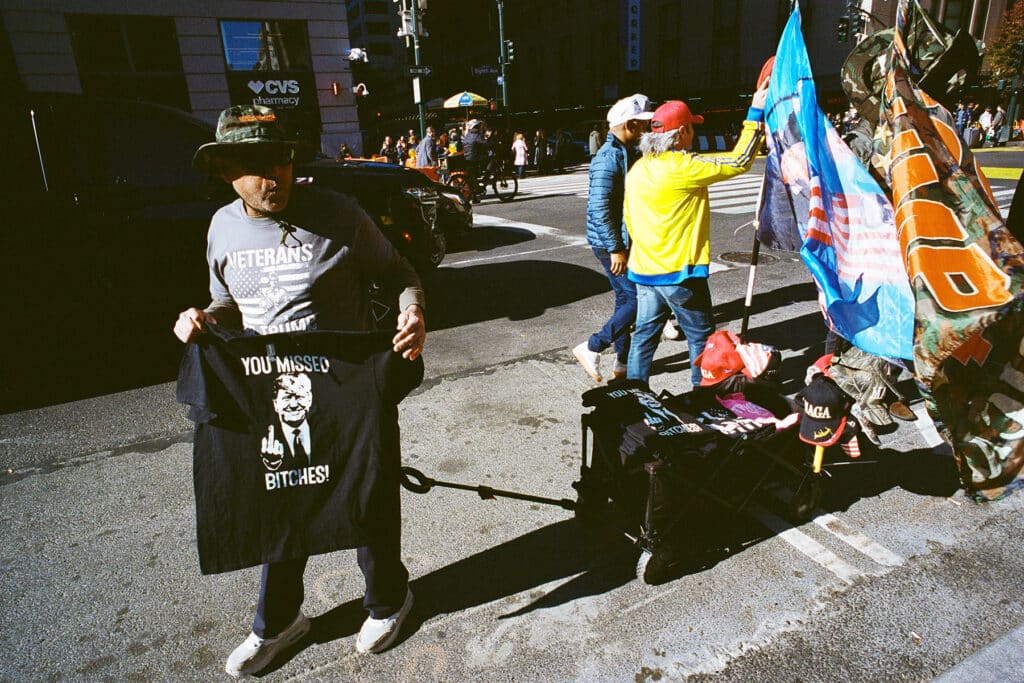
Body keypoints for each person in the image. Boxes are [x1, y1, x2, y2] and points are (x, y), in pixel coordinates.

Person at [177, 104, 426, 676]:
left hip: (349, 388)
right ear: (224, 172)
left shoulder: (339, 213)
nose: (276, 177)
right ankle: (278, 622)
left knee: (366, 493)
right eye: (257, 167)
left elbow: (401, 273)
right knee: (283, 505)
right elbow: (226, 304)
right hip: (273, 393)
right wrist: (202, 321)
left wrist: (412, 313)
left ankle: (390, 599)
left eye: (281, 160)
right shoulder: (222, 227)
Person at [624, 80, 768, 387]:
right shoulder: (683, 166)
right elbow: (740, 161)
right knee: (700, 337)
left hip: (644, 270)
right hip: (679, 273)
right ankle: (700, 395)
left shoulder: (639, 169)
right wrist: (755, 110)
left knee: (645, 337)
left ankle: (634, 395)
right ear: (681, 133)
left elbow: (629, 220)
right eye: (692, 127)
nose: (695, 133)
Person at [571, 94, 653, 383]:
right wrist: (616, 249)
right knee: (637, 300)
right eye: (643, 126)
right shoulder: (608, 158)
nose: (646, 131)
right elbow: (599, 208)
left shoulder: (625, 152)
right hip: (610, 244)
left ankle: (622, 363)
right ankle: (593, 346)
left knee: (624, 299)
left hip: (619, 241)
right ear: (630, 125)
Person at [462, 119, 491, 200]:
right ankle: (486, 177)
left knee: (472, 176)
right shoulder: (477, 135)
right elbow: (485, 144)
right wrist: (489, 140)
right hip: (473, 158)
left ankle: (474, 196)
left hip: (467, 158)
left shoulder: (468, 134)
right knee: (491, 159)